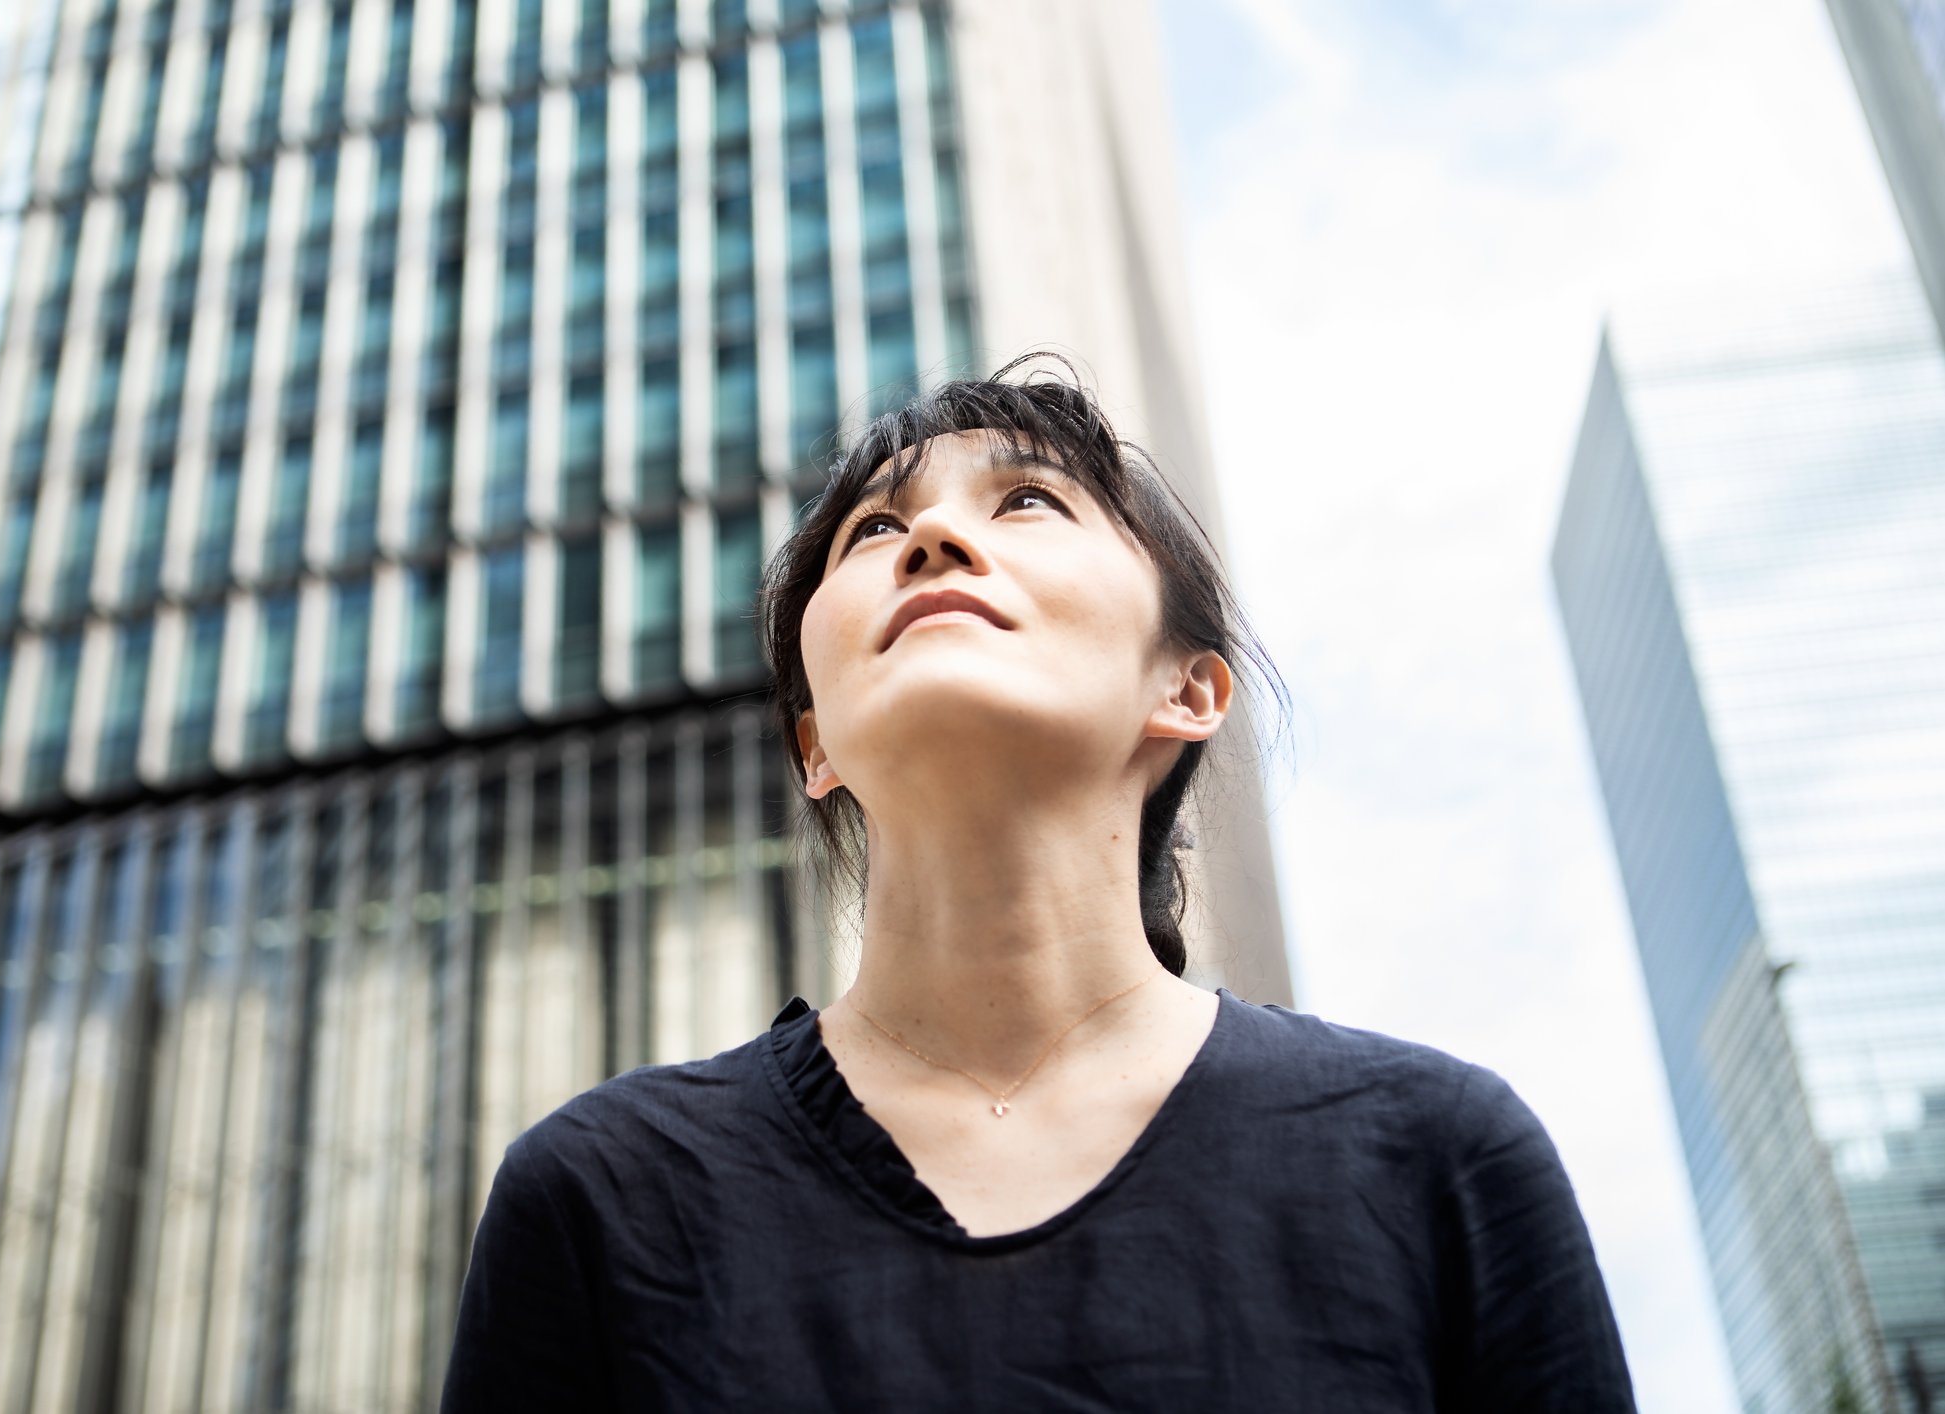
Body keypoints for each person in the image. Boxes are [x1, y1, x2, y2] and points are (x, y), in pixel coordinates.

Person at [441, 357, 1638, 1411]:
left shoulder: (1437, 1159)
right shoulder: (601, 1197)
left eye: (1027, 500)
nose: (931, 537)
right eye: (873, 529)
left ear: (1189, 690)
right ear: (814, 747)